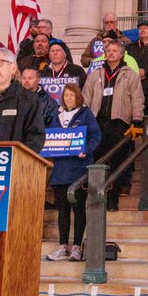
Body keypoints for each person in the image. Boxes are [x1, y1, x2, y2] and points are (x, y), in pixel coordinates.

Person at [82, 38, 144, 211]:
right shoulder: (95, 74)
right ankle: (96, 197)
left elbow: (137, 99)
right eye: (108, 51)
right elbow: (85, 97)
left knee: (118, 161)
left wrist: (137, 120)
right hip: (97, 122)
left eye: (114, 51)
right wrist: (82, 119)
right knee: (96, 160)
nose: (110, 54)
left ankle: (112, 199)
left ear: (122, 53)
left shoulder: (130, 74)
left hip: (120, 122)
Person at [45, 84, 101, 263]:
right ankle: (63, 246)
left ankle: (77, 246)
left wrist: (86, 149)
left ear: (78, 97)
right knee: (62, 210)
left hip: (79, 169)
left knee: (78, 209)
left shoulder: (86, 114)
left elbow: (96, 136)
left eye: (72, 95)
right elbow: (50, 138)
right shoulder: (56, 116)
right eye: (66, 95)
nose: (68, 98)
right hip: (60, 169)